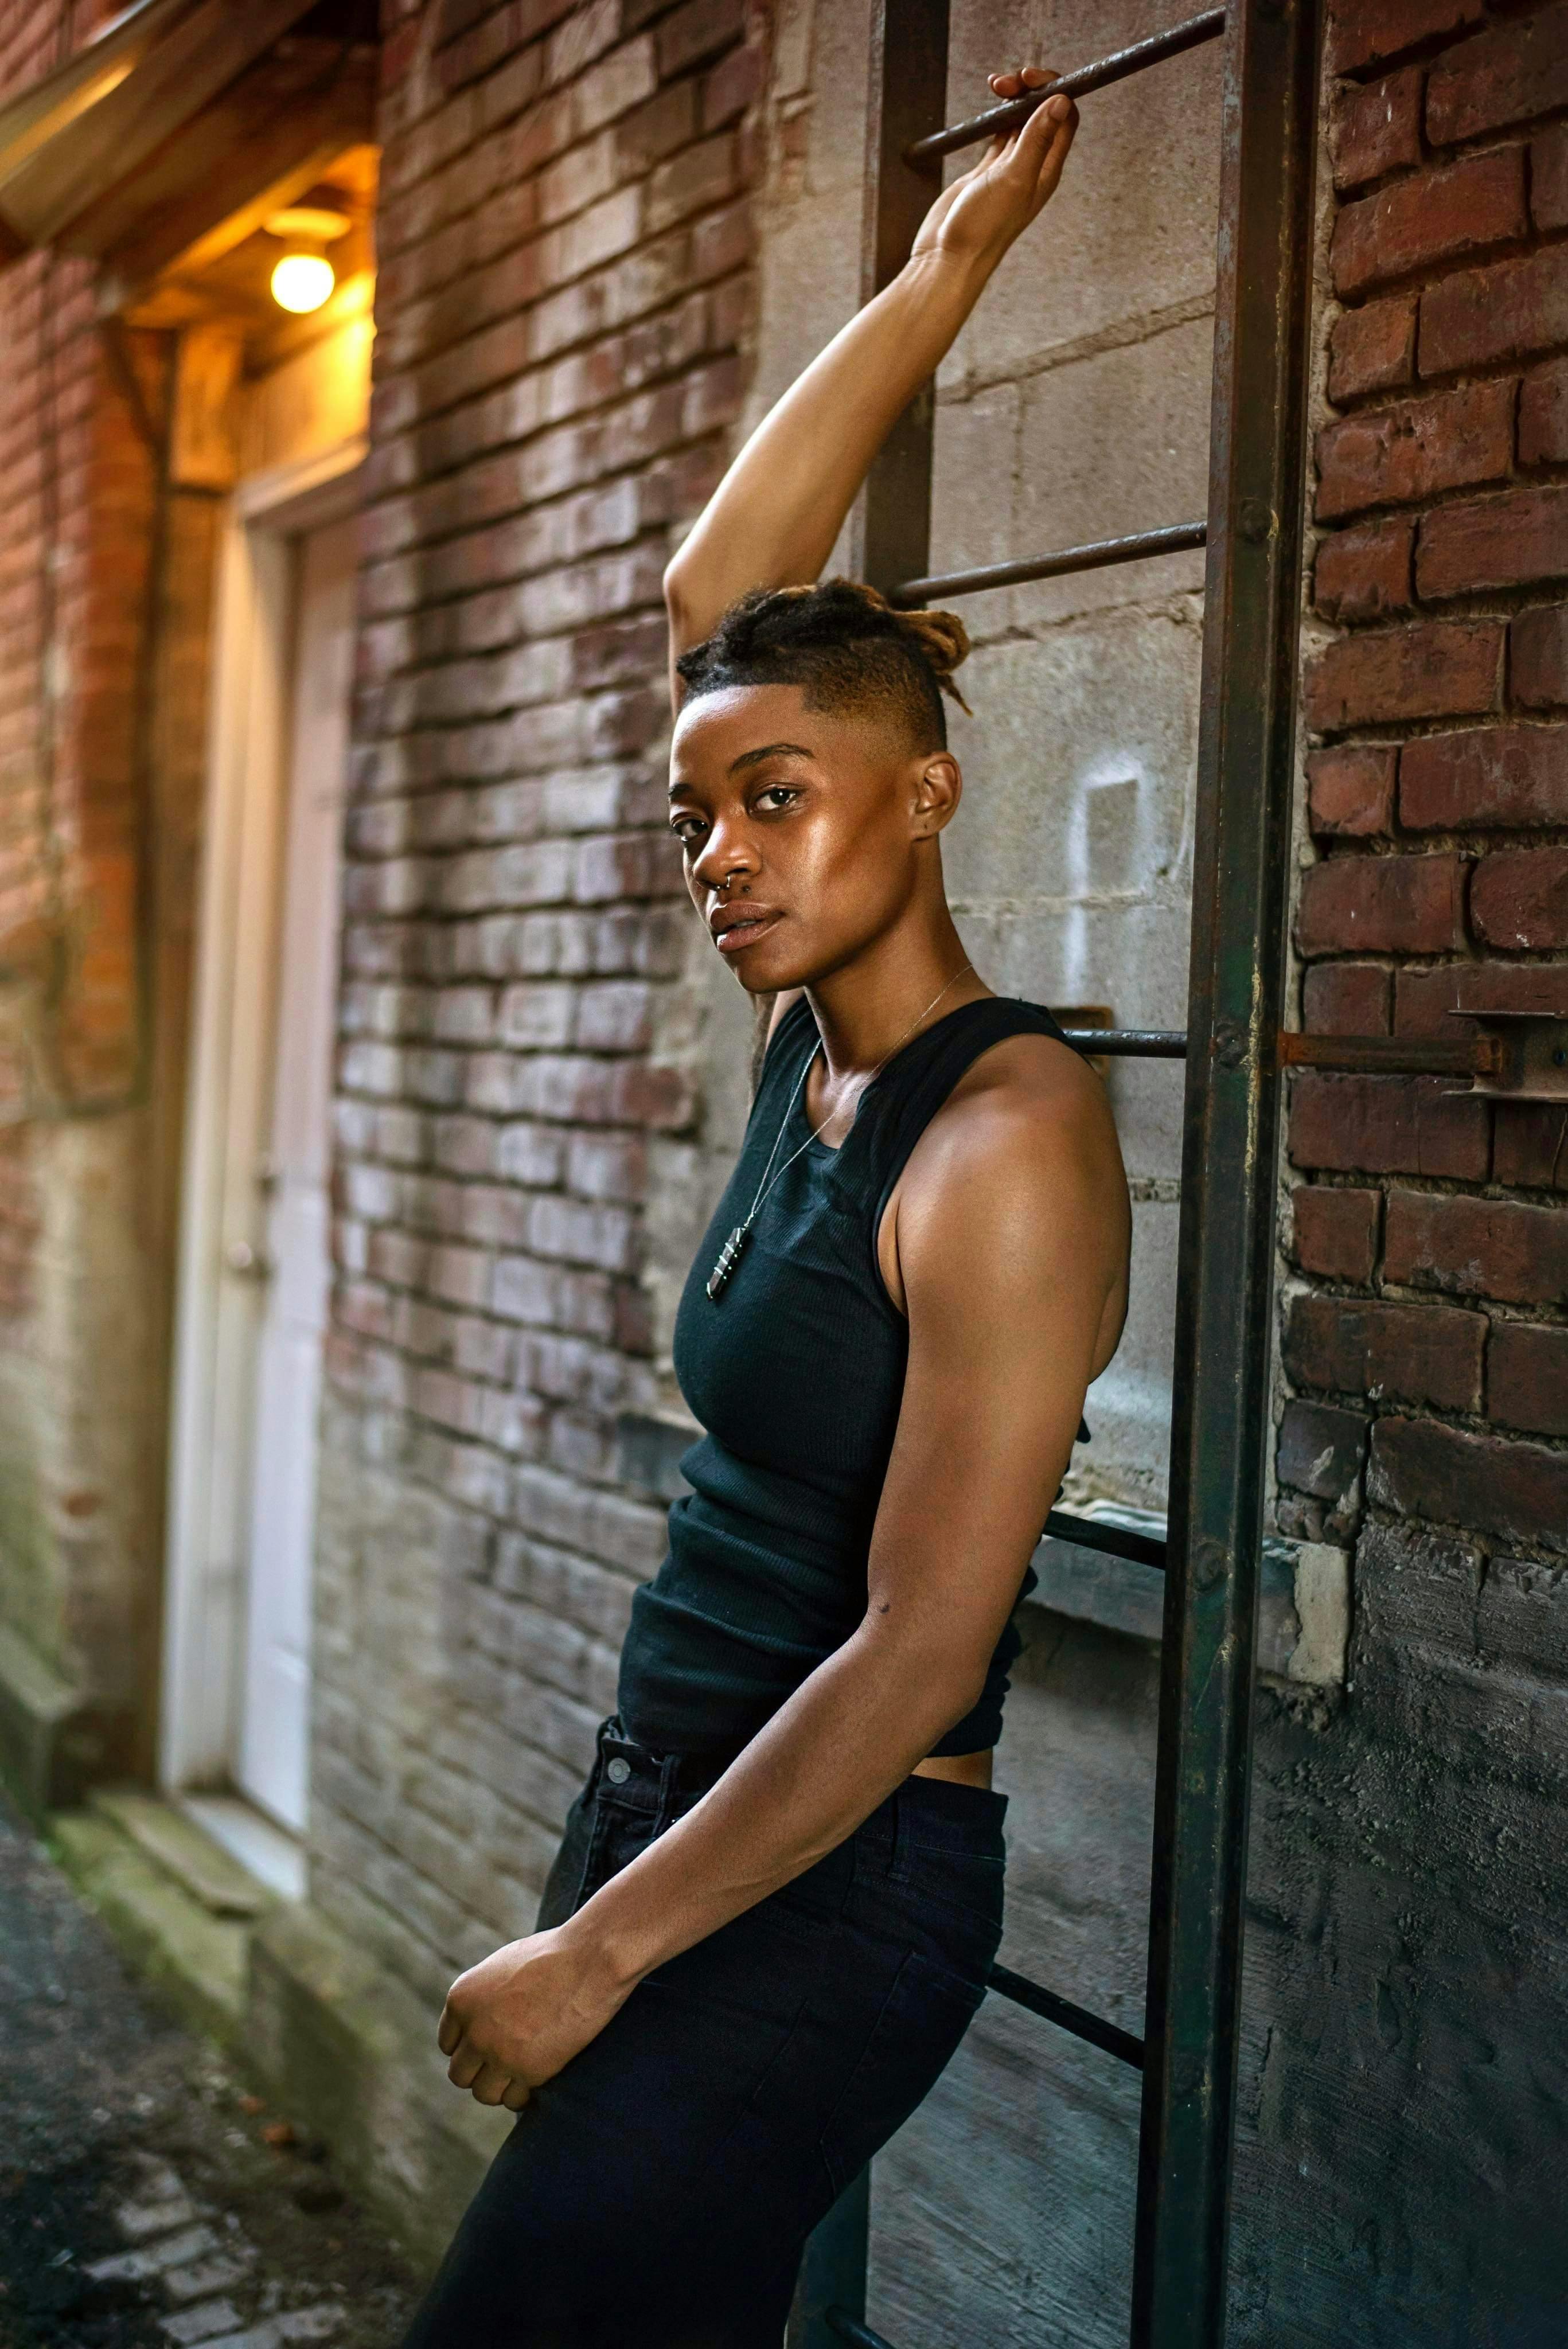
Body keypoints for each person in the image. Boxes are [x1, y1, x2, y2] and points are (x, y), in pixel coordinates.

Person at [401, 61, 1129, 2349]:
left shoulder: (1000, 1143)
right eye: (698, 817)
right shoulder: (798, 1042)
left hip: (832, 1890)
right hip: (675, 1801)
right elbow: (731, 601)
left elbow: (920, 1643)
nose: (720, 853)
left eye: (777, 801)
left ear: (921, 798)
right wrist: (950, 264)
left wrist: (602, 1946)